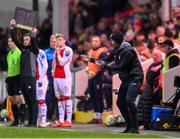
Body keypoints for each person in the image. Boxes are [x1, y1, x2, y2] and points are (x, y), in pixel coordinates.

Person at [104, 32, 144, 134]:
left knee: (129, 101)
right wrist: (91, 60)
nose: (111, 42)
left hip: (135, 77)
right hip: (126, 79)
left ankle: (135, 127)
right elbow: (106, 61)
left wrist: (107, 67)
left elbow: (121, 67)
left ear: (116, 41)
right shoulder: (116, 50)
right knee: (120, 103)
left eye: (112, 40)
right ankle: (129, 126)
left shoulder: (128, 51)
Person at [10, 19, 39, 127]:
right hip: (23, 78)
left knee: (32, 100)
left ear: (30, 41)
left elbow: (35, 44)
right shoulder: (22, 49)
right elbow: (15, 39)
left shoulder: (34, 50)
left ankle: (34, 122)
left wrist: (33, 35)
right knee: (27, 101)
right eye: (24, 39)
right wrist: (13, 28)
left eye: (27, 39)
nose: (25, 41)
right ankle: (30, 122)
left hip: (30, 77)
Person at [82, 35, 108, 123]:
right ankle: (95, 116)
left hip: (98, 77)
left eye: (96, 41)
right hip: (90, 77)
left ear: (100, 42)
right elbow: (90, 64)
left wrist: (95, 74)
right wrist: (87, 69)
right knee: (92, 96)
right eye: (93, 41)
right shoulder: (90, 51)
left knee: (98, 97)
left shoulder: (102, 52)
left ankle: (99, 117)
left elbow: (103, 64)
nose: (94, 42)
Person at [52, 33, 73, 127]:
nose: (58, 41)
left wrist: (57, 52)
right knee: (59, 98)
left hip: (65, 77)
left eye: (60, 39)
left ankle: (68, 120)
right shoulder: (57, 50)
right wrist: (53, 70)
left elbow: (61, 62)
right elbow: (55, 62)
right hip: (56, 77)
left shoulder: (68, 50)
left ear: (64, 40)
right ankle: (61, 120)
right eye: (57, 40)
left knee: (67, 97)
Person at [6, 37, 26, 126]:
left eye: (11, 41)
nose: (9, 43)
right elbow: (9, 67)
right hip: (11, 78)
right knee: (13, 99)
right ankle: (16, 120)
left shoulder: (19, 52)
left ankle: (22, 119)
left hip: (18, 77)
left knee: (20, 98)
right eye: (8, 41)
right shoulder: (8, 54)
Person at [45, 35, 58, 121]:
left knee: (57, 97)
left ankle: (58, 116)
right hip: (49, 78)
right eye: (51, 41)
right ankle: (48, 116)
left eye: (54, 41)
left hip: (58, 78)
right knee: (48, 97)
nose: (52, 43)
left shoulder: (60, 51)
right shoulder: (46, 52)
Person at [36, 49, 50, 128]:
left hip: (41, 79)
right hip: (34, 79)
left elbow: (45, 66)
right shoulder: (28, 51)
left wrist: (41, 78)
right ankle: (38, 121)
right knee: (37, 101)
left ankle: (44, 121)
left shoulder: (40, 52)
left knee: (41, 100)